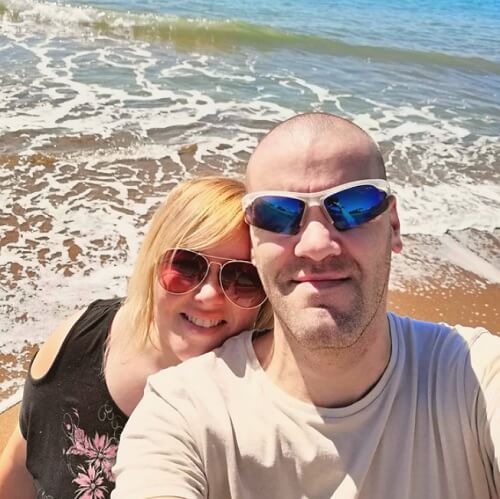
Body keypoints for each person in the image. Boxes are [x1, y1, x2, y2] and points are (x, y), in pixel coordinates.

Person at [112, 112, 500, 499]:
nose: (315, 244)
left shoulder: (474, 377)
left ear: (393, 225)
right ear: (253, 242)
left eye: (353, 205)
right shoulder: (182, 409)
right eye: (278, 213)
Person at [0, 175, 272, 499]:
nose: (210, 295)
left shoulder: (274, 403)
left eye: (243, 277)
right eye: (186, 265)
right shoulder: (75, 346)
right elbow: (21, 461)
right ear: (152, 261)